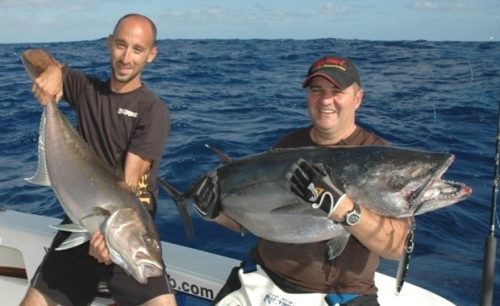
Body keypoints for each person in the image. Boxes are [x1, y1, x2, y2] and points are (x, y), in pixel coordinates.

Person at [197, 55, 412, 305]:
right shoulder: (287, 146)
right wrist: (213, 213)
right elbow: (250, 222)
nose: (325, 100)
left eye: (337, 91)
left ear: (358, 99)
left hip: (343, 294)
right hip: (262, 278)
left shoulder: (380, 158)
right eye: (316, 90)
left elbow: (397, 247)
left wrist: (345, 211)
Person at [20, 14, 177, 306]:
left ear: (151, 55)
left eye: (137, 49)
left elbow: (126, 188)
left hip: (129, 230)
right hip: (83, 219)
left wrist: (109, 239)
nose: (126, 57)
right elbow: (29, 55)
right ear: (109, 44)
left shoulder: (153, 111)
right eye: (120, 45)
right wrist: (53, 70)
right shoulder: (86, 89)